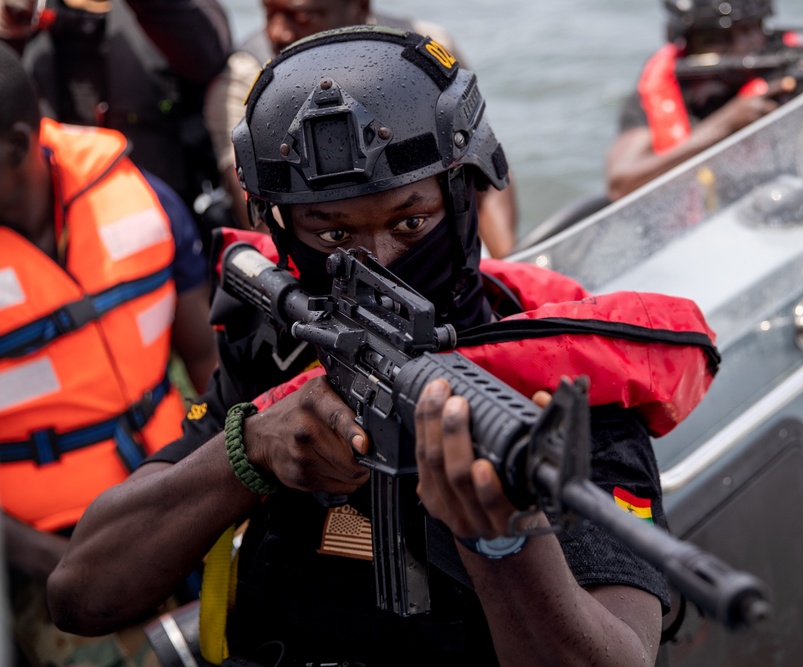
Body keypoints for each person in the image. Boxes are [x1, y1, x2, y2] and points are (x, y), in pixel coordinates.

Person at [47, 26, 722, 665]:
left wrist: (504, 538)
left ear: (464, 199)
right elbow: (80, 594)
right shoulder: (279, 349)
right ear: (281, 228)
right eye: (332, 234)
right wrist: (249, 449)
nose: (379, 260)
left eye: (412, 220)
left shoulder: (561, 386)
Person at [0, 42, 214, 666]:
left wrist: (223, 498)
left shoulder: (144, 203)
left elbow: (206, 362)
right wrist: (59, 563)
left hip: (180, 496)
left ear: (15, 147)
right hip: (50, 551)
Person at [204, 0, 519, 257]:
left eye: (301, 16)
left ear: (359, 7)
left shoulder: (427, 53)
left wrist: (508, 258)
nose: (278, 32)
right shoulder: (245, 80)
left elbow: (480, 159)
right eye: (269, 13)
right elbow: (255, 201)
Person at [606, 0, 803, 209]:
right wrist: (724, 126)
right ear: (688, 43)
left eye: (751, 29)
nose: (742, 47)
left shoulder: (789, 82)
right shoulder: (669, 89)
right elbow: (622, 184)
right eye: (719, 37)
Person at [6, 0, 234, 241]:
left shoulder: (171, 16)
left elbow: (210, 55)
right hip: (47, 233)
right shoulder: (25, 16)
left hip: (162, 226)